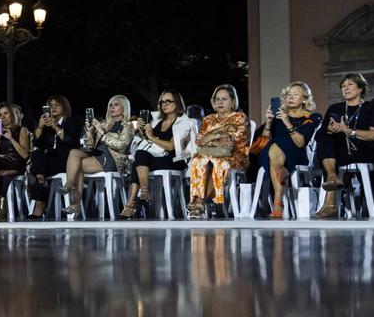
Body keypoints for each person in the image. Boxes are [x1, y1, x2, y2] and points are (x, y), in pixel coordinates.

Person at [311, 73, 374, 218]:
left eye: (350, 84)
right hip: (337, 151)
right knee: (325, 138)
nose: (345, 88)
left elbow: (373, 135)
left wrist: (348, 131)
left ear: (360, 88)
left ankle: (330, 204)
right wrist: (330, 129)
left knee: (328, 146)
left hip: (363, 149)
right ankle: (332, 177)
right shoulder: (335, 108)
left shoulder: (372, 107)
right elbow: (320, 134)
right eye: (343, 86)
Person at [122, 90, 196, 219]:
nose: (164, 104)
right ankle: (143, 191)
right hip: (155, 158)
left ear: (177, 103)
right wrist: (142, 133)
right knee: (140, 155)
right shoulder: (157, 121)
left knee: (138, 161)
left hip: (174, 159)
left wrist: (151, 136)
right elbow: (148, 145)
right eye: (162, 102)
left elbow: (171, 146)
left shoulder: (184, 122)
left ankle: (132, 204)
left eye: (168, 101)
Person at [59, 95, 134, 216]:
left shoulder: (127, 125)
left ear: (124, 108)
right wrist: (89, 130)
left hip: (113, 159)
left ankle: (74, 202)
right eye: (110, 105)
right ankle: (70, 186)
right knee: (74, 153)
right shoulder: (104, 124)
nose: (112, 107)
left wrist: (102, 132)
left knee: (76, 167)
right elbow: (90, 145)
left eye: (116, 105)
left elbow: (121, 146)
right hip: (97, 156)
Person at [256, 81, 322, 218]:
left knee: (275, 145)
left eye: (295, 94)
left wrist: (287, 122)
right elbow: (263, 142)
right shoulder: (278, 117)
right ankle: (278, 198)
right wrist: (268, 123)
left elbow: (300, 143)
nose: (290, 97)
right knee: (272, 147)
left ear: (304, 99)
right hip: (272, 155)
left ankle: (277, 203)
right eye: (288, 95)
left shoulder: (311, 117)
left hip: (297, 156)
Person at [185, 85, 249, 218]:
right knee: (198, 160)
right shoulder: (209, 119)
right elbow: (199, 141)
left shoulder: (239, 117)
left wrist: (211, 137)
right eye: (217, 99)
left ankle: (199, 202)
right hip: (208, 154)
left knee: (218, 161)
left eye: (224, 99)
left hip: (234, 156)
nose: (220, 102)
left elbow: (233, 140)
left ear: (232, 102)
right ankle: (200, 203)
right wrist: (219, 136)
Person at [26, 96, 82, 219]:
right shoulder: (46, 127)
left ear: (64, 107)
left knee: (36, 169)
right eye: (50, 106)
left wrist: (56, 128)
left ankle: (40, 203)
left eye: (57, 105)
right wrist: (40, 127)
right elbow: (36, 143)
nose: (53, 108)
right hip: (48, 163)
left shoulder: (73, 122)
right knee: (37, 154)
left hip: (66, 161)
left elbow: (72, 142)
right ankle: (41, 181)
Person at [0, 102, 30, 221]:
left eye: (6, 113)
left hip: (16, 162)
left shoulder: (21, 130)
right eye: (0, 114)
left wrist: (11, 138)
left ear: (12, 115)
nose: (3, 117)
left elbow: (24, 155)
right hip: (0, 163)